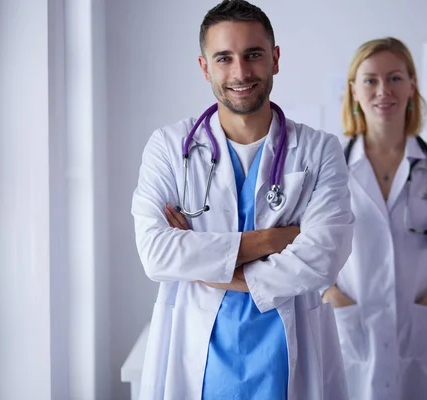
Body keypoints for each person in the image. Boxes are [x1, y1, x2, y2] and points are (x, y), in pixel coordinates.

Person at [131, 1, 354, 399]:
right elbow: (156, 254)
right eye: (224, 58)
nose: (240, 72)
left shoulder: (319, 150)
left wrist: (203, 267)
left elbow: (323, 258)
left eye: (253, 55)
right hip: (199, 360)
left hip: (288, 356)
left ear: (275, 59)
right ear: (205, 67)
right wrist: (272, 241)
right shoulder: (167, 148)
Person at [322, 37, 427, 400]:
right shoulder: (330, 165)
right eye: (370, 80)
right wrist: (329, 293)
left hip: (418, 331)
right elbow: (303, 243)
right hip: (350, 329)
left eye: (394, 78)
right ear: (354, 91)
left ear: (412, 86)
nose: (382, 91)